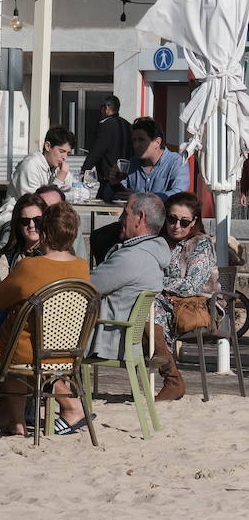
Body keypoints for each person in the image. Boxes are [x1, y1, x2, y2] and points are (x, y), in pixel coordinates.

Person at [0, 202, 90, 437]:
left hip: (26, 351)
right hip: (66, 352)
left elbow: (0, 298)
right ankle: (17, 423)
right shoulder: (82, 267)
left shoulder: (30, 266)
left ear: (45, 232)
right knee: (16, 339)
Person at [149, 191, 216, 402]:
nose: (176, 226)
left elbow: (191, 286)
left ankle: (170, 376)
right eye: (171, 219)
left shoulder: (201, 244)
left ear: (194, 221)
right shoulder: (158, 242)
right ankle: (171, 377)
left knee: (148, 308)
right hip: (166, 304)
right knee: (142, 308)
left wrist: (154, 284)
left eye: (184, 222)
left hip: (197, 306)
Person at [90, 193, 171, 365]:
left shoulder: (132, 257)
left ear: (140, 217)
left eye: (125, 214)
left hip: (107, 337)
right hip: (124, 336)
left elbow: (87, 287)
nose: (120, 219)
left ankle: (59, 385)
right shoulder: (154, 252)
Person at [0, 126, 74, 228]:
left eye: (67, 153)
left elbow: (72, 189)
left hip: (43, 218)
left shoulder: (57, 167)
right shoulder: (30, 165)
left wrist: (63, 177)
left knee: (73, 225)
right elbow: (35, 204)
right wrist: (59, 180)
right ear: (47, 146)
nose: (64, 157)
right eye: (61, 151)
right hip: (18, 219)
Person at [108, 118, 189, 201]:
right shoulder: (131, 163)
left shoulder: (176, 162)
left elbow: (178, 195)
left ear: (157, 142)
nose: (136, 145)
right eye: (134, 140)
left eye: (141, 140)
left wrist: (140, 198)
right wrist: (115, 184)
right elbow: (121, 196)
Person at [0, 192, 47, 297]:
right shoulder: (7, 258)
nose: (31, 225)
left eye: (38, 220)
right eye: (25, 221)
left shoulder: (58, 253)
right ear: (18, 224)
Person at [81, 94, 132, 200]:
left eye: (102, 107)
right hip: (126, 176)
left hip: (109, 178)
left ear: (107, 108)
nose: (101, 111)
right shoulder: (128, 125)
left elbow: (97, 150)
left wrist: (85, 170)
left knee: (103, 209)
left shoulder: (105, 125)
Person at [33, 184, 88, 262]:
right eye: (45, 208)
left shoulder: (70, 229)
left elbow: (80, 259)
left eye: (56, 209)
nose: (50, 214)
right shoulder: (28, 226)